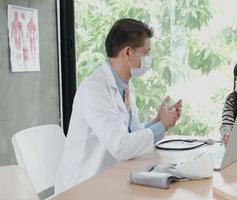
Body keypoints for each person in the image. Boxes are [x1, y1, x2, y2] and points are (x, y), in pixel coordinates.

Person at [55, 18, 182, 194]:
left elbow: (130, 133)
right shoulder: (95, 89)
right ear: (128, 53)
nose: (148, 59)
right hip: (82, 187)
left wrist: (157, 121)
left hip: (109, 178)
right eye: (146, 53)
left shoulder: (125, 84)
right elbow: (121, 146)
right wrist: (162, 126)